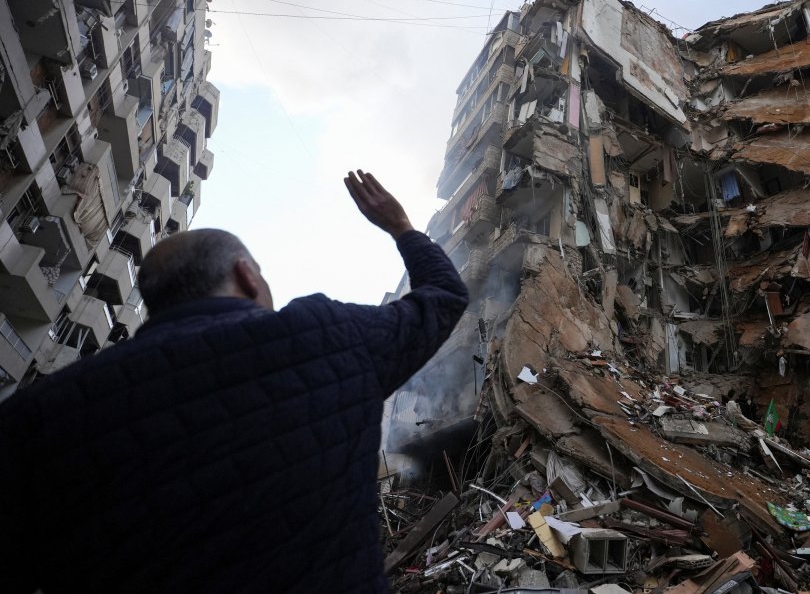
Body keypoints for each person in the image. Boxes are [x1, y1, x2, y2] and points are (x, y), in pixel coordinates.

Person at [0, 171, 469, 593]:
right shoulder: (326, 337)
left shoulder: (40, 416)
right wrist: (401, 227)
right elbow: (444, 296)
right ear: (246, 275)